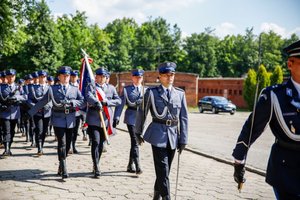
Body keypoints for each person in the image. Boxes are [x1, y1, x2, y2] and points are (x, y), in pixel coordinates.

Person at [232, 40, 300, 200]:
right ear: (290, 64)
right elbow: (251, 128)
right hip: (286, 172)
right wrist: (239, 161)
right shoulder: (274, 96)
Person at [135, 62, 188, 200]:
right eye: (166, 75)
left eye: (172, 75)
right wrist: (137, 132)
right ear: (160, 76)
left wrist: (183, 139)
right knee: (163, 170)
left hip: (173, 137)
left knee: (165, 171)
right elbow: (142, 112)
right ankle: (166, 197)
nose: (169, 77)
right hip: (157, 134)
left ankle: (157, 194)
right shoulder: (151, 93)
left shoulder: (180, 94)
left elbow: (184, 118)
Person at [27, 66, 84, 179]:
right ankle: (64, 167)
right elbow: (43, 101)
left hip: (70, 118)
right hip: (58, 118)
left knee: (68, 144)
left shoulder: (74, 89)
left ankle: (61, 164)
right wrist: (30, 113)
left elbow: (82, 101)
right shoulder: (53, 89)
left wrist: (72, 102)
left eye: (67, 76)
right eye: (63, 75)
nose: (66, 77)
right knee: (61, 143)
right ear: (59, 77)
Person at [85, 67, 121, 177]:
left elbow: (118, 100)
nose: (101, 78)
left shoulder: (111, 88)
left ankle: (97, 162)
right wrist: (96, 102)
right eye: (99, 76)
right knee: (95, 141)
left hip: (105, 120)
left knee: (101, 143)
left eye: (103, 77)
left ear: (106, 78)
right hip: (93, 119)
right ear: (96, 77)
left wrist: (106, 102)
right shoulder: (91, 87)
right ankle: (96, 166)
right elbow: (88, 96)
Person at [113, 69, 145, 175]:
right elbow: (120, 104)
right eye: (136, 77)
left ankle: (129, 164)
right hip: (131, 117)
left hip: (141, 120)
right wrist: (116, 117)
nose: (137, 79)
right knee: (135, 141)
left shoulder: (146, 90)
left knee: (134, 143)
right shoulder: (127, 89)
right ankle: (137, 165)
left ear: (142, 78)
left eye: (139, 77)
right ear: (132, 78)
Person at [0, 69, 27, 157]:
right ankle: (6, 149)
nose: (11, 78)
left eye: (12, 76)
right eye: (9, 76)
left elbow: (25, 96)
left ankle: (9, 148)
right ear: (6, 77)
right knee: (6, 131)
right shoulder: (1, 87)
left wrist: (17, 98)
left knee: (12, 131)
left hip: (15, 112)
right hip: (5, 112)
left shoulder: (18, 87)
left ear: (15, 77)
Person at [27, 70, 52, 155]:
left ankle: (41, 144)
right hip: (37, 112)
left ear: (46, 78)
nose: (42, 78)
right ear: (39, 77)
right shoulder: (33, 87)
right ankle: (39, 147)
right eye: (41, 77)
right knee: (39, 129)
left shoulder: (50, 88)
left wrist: (48, 106)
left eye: (44, 77)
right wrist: (35, 106)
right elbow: (29, 99)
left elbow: (53, 99)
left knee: (44, 130)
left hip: (47, 112)